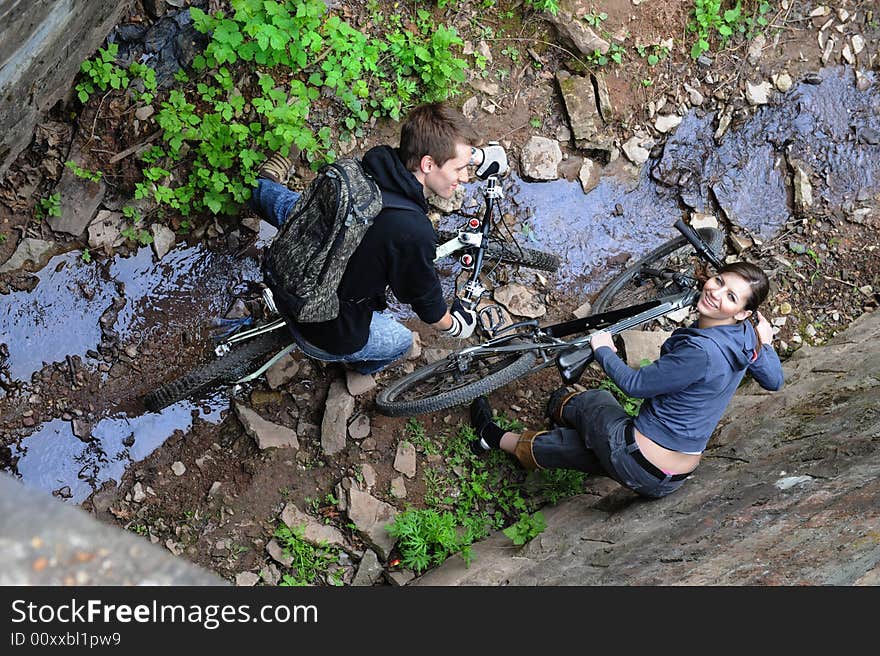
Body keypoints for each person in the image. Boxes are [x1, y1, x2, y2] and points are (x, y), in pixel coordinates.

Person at [468, 261, 784, 499]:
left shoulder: (701, 352)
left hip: (637, 456)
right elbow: (774, 380)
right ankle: (497, 438)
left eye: (730, 296)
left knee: (597, 401)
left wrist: (603, 349)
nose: (714, 292)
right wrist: (765, 341)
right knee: (580, 448)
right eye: (718, 281)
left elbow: (634, 385)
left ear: (743, 312)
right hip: (667, 477)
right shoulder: (747, 337)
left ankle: (552, 410)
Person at [248, 102, 508, 375]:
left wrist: (475, 155)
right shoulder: (412, 232)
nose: (465, 177)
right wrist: (455, 325)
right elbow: (427, 302)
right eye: (460, 168)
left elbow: (433, 151)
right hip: (322, 324)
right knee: (402, 343)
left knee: (298, 207)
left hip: (289, 264)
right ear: (428, 163)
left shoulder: (373, 164)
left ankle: (258, 187)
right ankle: (359, 369)